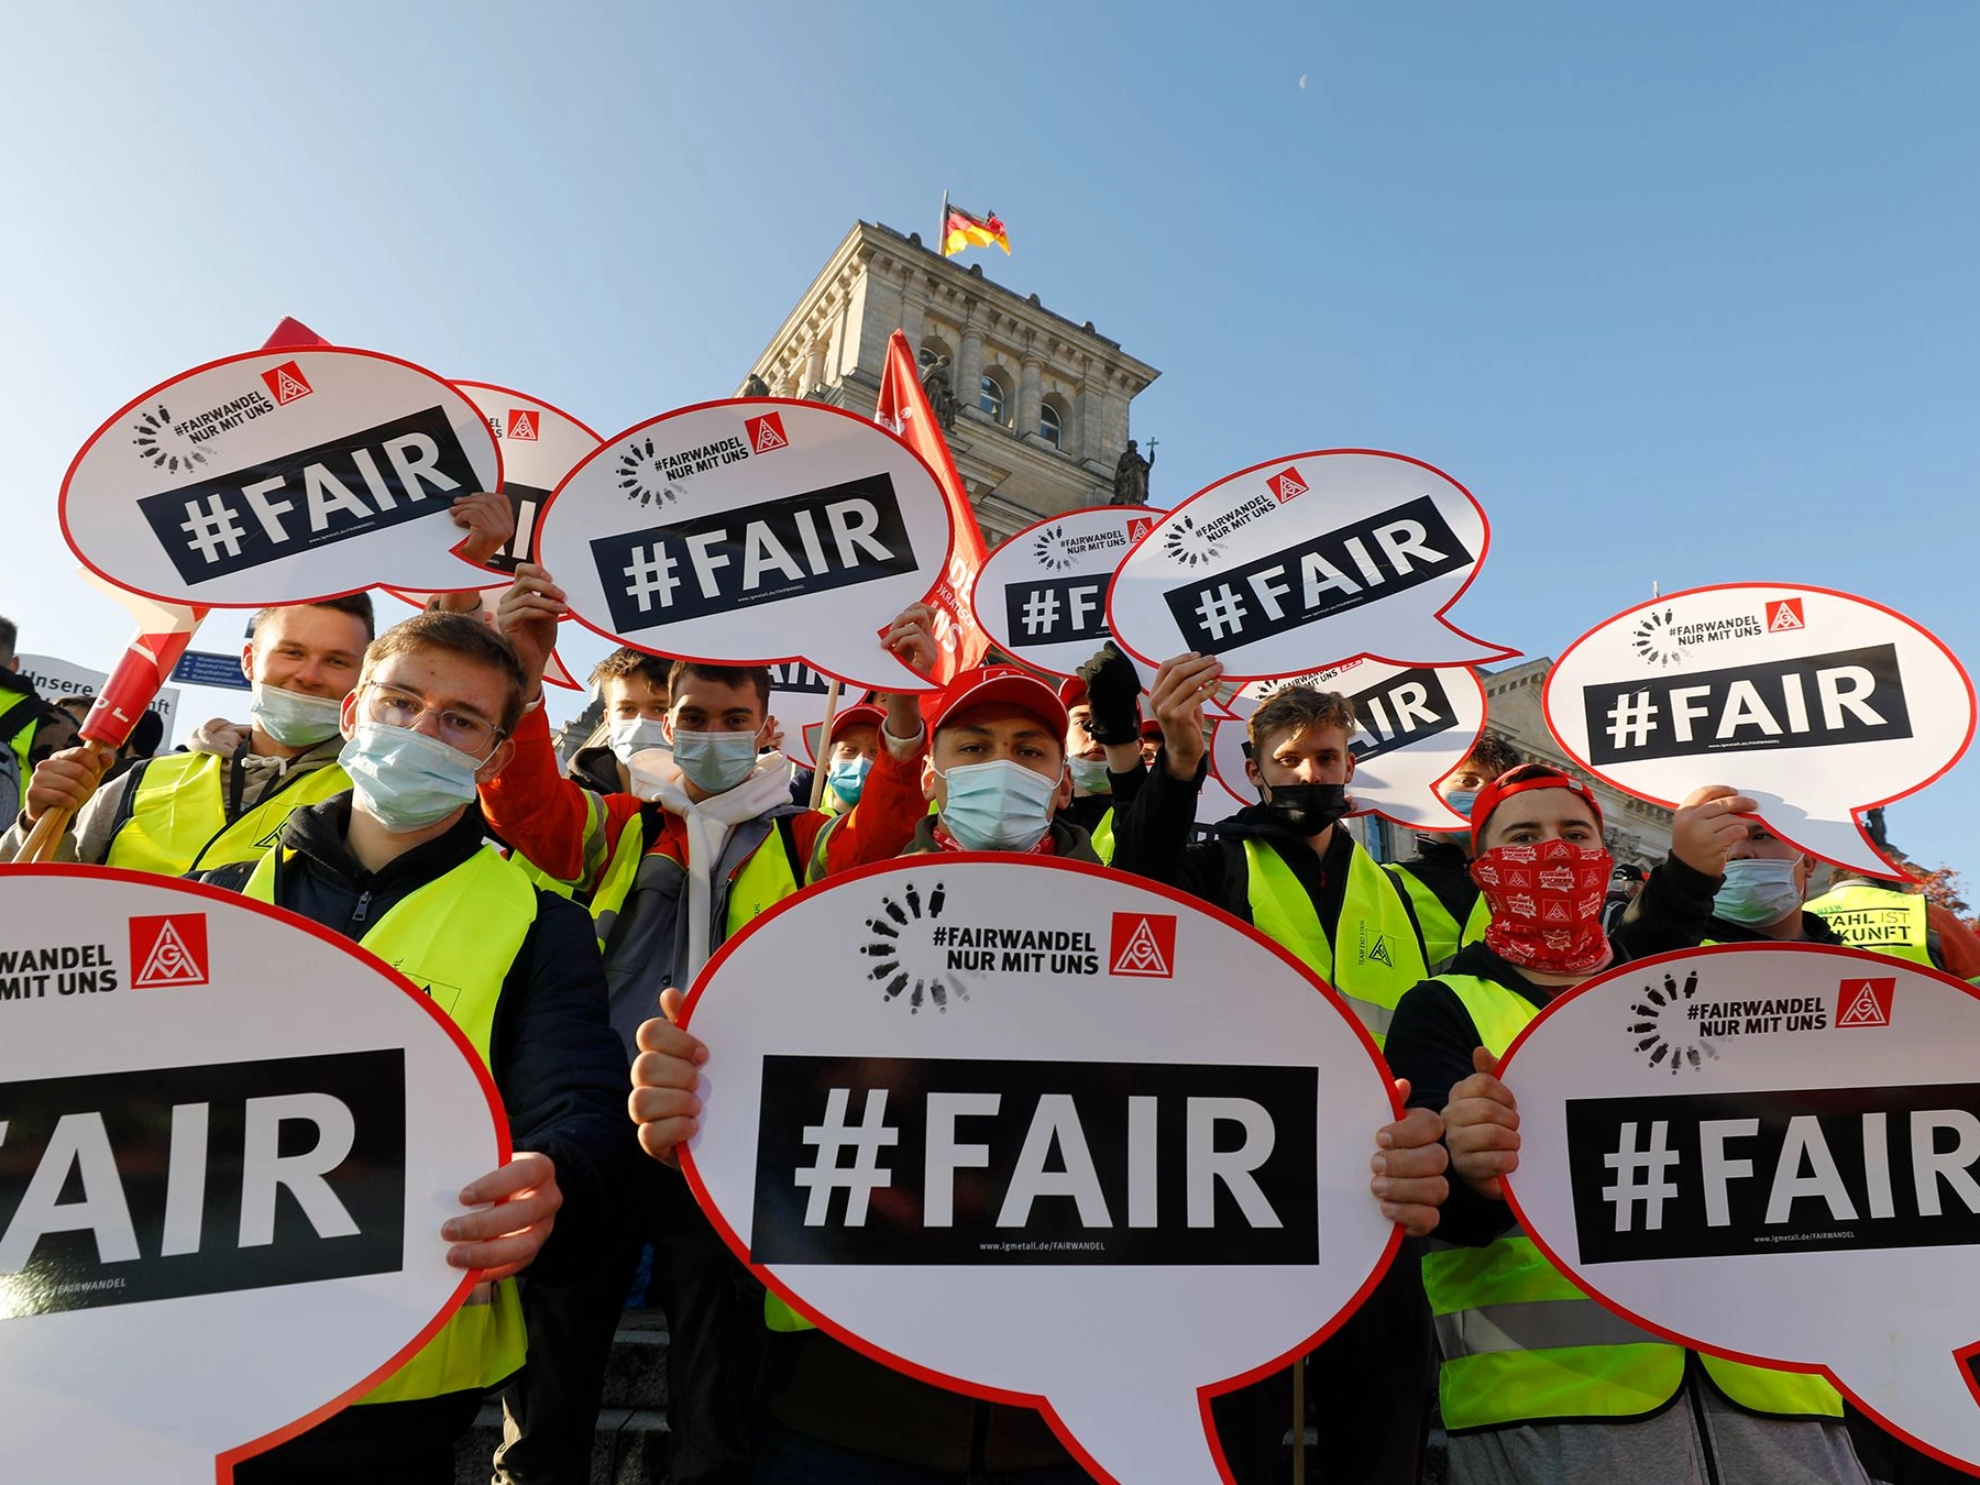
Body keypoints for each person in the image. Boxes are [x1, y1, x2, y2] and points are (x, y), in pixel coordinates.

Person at [627, 660, 1455, 1484]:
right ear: (931, 774)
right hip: (845, 1401)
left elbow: (1219, 1125)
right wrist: (697, 1106)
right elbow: (757, 1103)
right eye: (975, 745)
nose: (1003, 767)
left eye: (1029, 751)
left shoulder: (1154, 935)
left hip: (1069, 1423)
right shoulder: (832, 917)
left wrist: (1377, 1163)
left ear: (1064, 784)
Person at [478, 562, 937, 1485]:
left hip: (729, 1132)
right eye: (695, 717)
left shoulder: (804, 840)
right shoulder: (616, 824)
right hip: (601, 1126)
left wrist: (900, 716)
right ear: (666, 722)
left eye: (736, 721)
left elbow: (880, 841)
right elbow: (523, 806)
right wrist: (526, 680)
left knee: (712, 1378)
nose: (714, 735)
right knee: (553, 1374)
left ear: (769, 729)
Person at [226, 611, 630, 1485]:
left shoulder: (541, 922)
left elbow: (578, 1101)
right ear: (352, 713)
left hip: (396, 1378)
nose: (419, 729)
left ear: (492, 757)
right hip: (196, 1336)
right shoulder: (219, 894)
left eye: (457, 719)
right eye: (400, 701)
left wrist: (556, 1170)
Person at [1384, 764, 1872, 1485]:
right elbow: (1443, 1209)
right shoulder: (1441, 1005)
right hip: (1557, 1407)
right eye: (1524, 835)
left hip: (1773, 1381)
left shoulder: (1704, 980)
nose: (1554, 851)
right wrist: (1467, 1165)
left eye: (1575, 833)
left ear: (1605, 858)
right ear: (1484, 869)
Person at [1106, 655, 1436, 1482]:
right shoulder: (1219, 862)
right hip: (1240, 1186)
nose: (1309, 773)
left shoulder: (1393, 888)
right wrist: (1174, 764)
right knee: (1239, 1430)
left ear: (1351, 764)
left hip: (1371, 1193)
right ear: (1251, 770)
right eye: (1287, 760)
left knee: (1381, 1427)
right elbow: (1140, 887)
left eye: (1325, 757)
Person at [0, 596, 375, 873]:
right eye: (291, 653)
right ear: (249, 660)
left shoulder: (370, 794)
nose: (309, 675)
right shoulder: (141, 779)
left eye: (336, 661)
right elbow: (45, 892)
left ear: (365, 677)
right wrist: (37, 820)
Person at [1386, 733, 1524, 968]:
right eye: (1467, 782)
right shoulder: (1388, 882)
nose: (1481, 795)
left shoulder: (1521, 889)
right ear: (1433, 790)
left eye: (1496, 787)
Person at [1804, 871, 1980, 978]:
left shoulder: (1802, 914)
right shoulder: (1927, 913)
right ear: (1890, 882)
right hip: (1921, 1031)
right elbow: (1975, 976)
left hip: (1817, 1032)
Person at [567, 647, 674, 795]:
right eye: (628, 709)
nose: (641, 723)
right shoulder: (571, 797)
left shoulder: (708, 801)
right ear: (608, 722)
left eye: (659, 709)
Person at [816, 701, 885, 814]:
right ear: (827, 765)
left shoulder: (910, 828)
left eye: (875, 753)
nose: (862, 760)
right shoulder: (799, 827)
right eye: (849, 750)